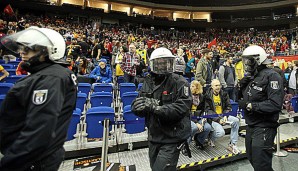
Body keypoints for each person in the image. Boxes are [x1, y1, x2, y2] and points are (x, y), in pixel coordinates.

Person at [0, 26, 78, 170]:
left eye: (30, 49)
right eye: (22, 48)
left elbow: (39, 130)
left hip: (32, 162)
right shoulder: (49, 74)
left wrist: (8, 164)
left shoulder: (50, 78)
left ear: (48, 52)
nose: (22, 52)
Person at [131, 47, 192, 171]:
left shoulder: (180, 82)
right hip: (154, 137)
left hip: (172, 138)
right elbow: (139, 102)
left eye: (166, 62)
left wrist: (156, 108)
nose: (163, 65)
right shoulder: (148, 81)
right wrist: (138, 107)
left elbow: (181, 108)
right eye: (160, 62)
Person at [238, 45, 284, 171]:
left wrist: (250, 106)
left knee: (261, 164)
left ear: (258, 59)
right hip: (251, 124)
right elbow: (243, 97)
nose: (246, 63)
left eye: (249, 60)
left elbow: (275, 104)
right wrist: (240, 87)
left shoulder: (272, 76)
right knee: (252, 157)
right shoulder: (251, 77)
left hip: (264, 126)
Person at [204, 79, 240, 154]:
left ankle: (232, 144)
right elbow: (208, 110)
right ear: (212, 86)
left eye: (219, 85)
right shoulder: (207, 96)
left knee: (236, 121)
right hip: (213, 119)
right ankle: (211, 138)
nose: (218, 87)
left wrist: (225, 116)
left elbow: (228, 106)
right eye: (216, 85)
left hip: (223, 116)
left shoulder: (224, 94)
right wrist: (218, 119)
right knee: (221, 132)